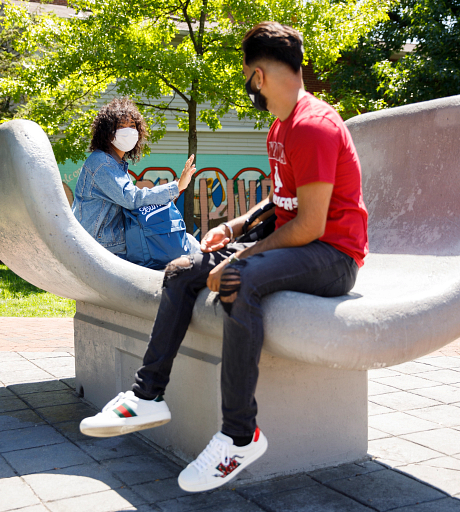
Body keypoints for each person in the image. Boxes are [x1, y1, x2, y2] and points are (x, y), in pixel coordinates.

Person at [79, 22, 369, 492]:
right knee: (182, 270)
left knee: (240, 281)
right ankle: (147, 395)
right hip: (297, 243)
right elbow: (282, 202)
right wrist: (235, 227)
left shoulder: (313, 127)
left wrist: (241, 258)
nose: (245, 85)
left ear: (257, 75)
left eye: (244, 75)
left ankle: (239, 435)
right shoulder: (281, 125)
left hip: (333, 255)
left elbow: (312, 225)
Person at [71, 97, 198, 259]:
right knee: (188, 246)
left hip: (109, 240)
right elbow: (131, 198)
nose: (129, 131)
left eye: (132, 126)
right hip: (100, 243)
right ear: (107, 132)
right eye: (121, 126)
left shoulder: (114, 163)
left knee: (188, 243)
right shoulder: (103, 163)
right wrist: (176, 187)